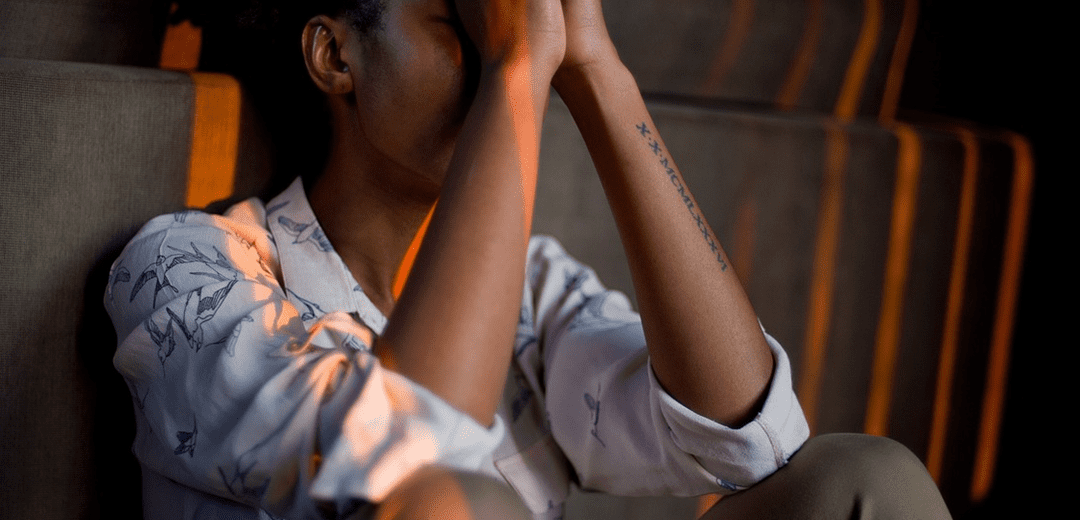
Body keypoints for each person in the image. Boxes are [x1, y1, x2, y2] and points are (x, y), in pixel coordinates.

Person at [105, 0, 953, 518]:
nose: (511, 46)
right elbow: (415, 452)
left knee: (863, 480)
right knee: (455, 502)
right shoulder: (188, 271)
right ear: (336, 57)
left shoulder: (533, 287)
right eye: (467, 20)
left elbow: (756, 441)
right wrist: (513, 65)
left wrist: (594, 67)